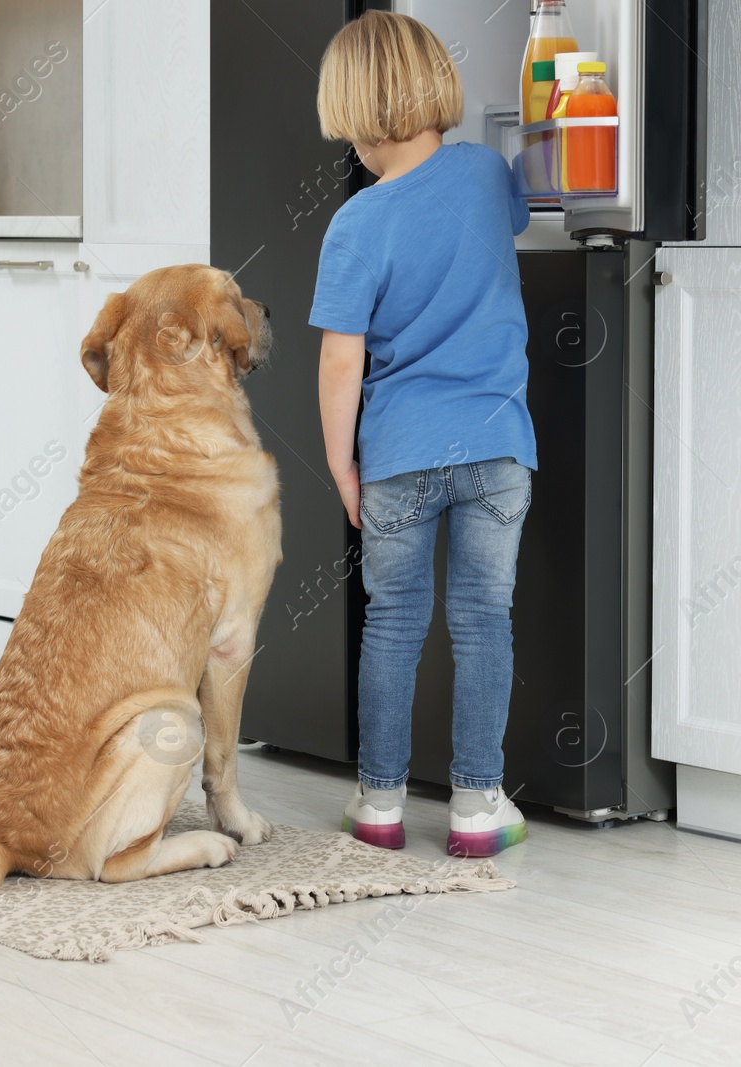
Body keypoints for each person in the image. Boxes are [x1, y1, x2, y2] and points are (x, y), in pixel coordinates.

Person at [310, 11, 536, 858]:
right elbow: (535, 197)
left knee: (394, 623)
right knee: (484, 619)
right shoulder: (483, 173)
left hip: (399, 455)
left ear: (358, 119)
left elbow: (341, 361)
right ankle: (478, 806)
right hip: (498, 447)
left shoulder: (357, 223)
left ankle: (378, 804)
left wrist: (341, 461)